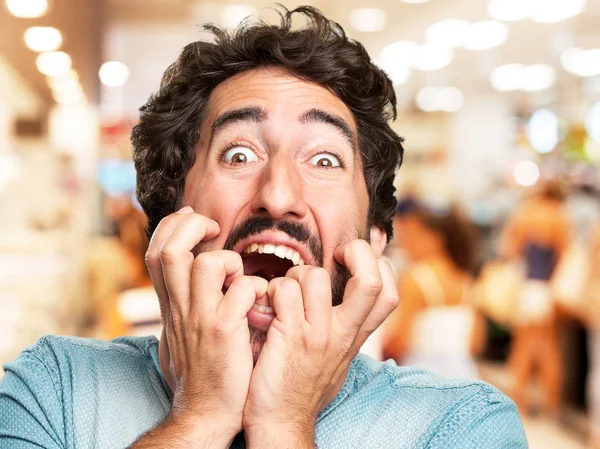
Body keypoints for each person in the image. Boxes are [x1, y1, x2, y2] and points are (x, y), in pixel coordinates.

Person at [0, 7, 527, 448]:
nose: (278, 195)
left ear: (373, 241)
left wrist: (283, 425)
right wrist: (201, 414)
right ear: (169, 216)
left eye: (324, 160)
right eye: (238, 153)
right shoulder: (52, 390)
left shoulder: (462, 426)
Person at [382, 202, 486, 379]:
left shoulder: (417, 279)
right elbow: (476, 342)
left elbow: (399, 341)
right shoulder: (465, 280)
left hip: (421, 375)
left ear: (435, 238)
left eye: (412, 236)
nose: (405, 243)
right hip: (463, 374)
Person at [500, 180, 570, 415]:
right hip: (545, 288)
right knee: (549, 347)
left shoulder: (526, 212)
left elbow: (510, 249)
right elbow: (565, 256)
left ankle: (518, 397)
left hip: (526, 285)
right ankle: (551, 403)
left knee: (523, 345)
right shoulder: (559, 217)